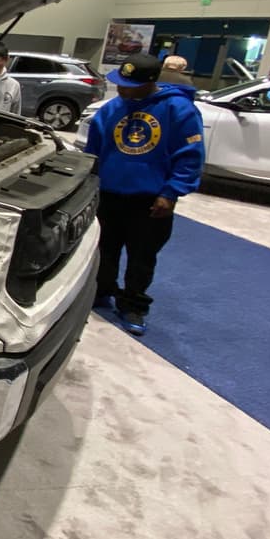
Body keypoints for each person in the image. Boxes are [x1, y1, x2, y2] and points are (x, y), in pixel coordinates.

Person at [84, 54, 205, 336]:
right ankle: (102, 290)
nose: (122, 89)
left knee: (142, 257)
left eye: (129, 85)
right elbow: (93, 151)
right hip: (110, 194)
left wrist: (172, 192)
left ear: (149, 83)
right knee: (104, 248)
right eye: (120, 84)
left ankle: (133, 304)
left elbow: (189, 156)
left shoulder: (179, 110)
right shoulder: (111, 109)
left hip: (151, 200)